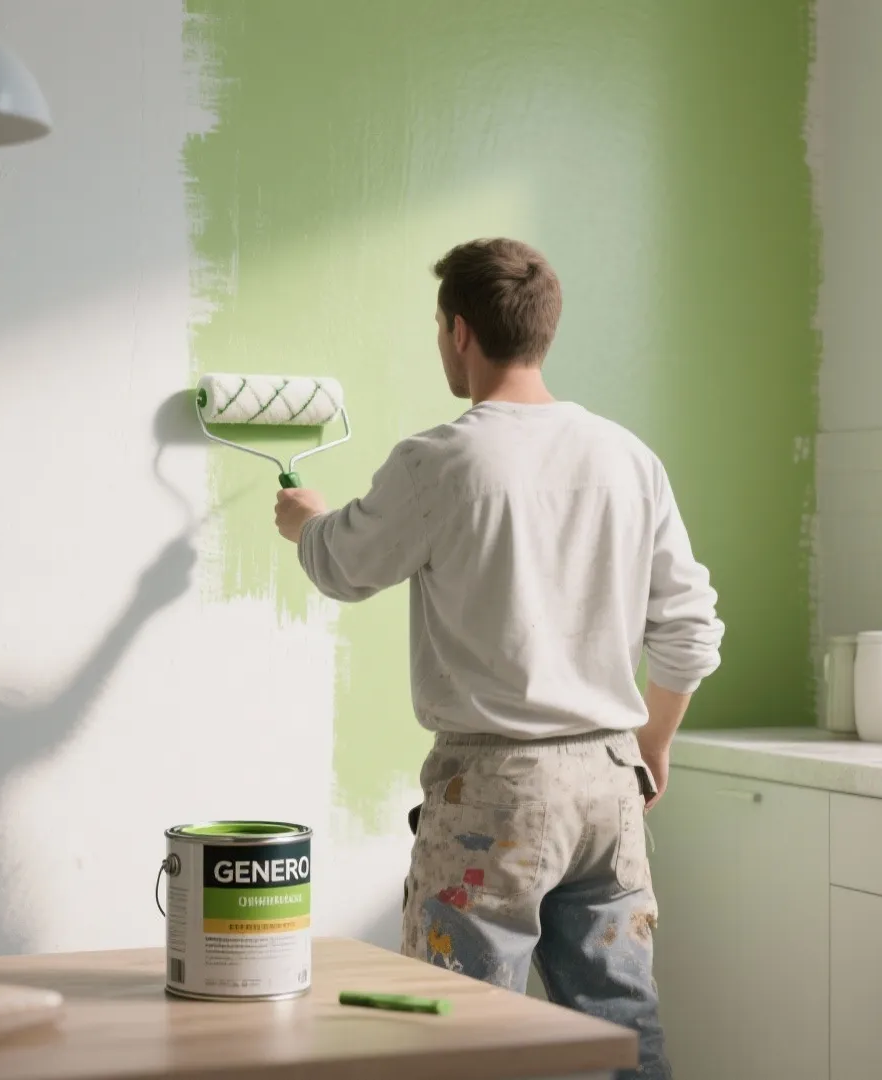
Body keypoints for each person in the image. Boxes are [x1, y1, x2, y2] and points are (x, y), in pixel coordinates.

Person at [273, 238, 721, 1080]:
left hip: (494, 796)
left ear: (460, 332)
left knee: (458, 1037)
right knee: (622, 1027)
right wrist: (652, 745)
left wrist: (307, 521)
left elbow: (343, 566)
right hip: (607, 783)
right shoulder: (627, 458)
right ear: (543, 332)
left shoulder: (441, 461)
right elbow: (691, 627)